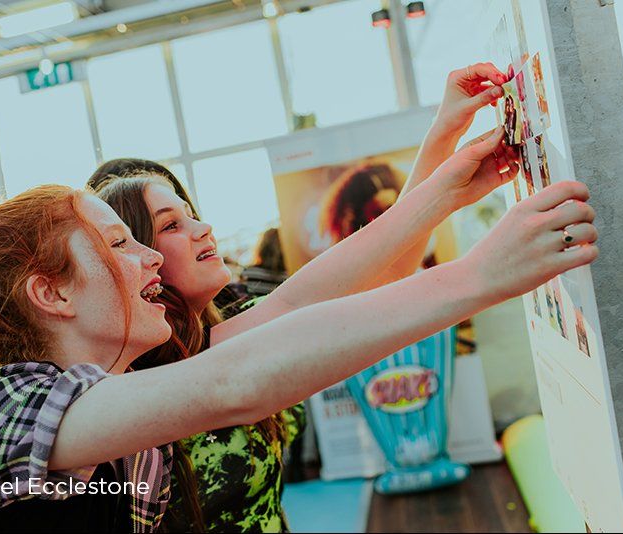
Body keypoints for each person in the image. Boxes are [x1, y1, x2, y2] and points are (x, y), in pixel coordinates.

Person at [86, 62, 549, 532]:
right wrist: (472, 252)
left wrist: (444, 139)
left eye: (190, 213)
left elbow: (381, 273)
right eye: (171, 225)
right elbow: (307, 307)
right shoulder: (131, 389)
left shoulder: (231, 327)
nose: (203, 228)